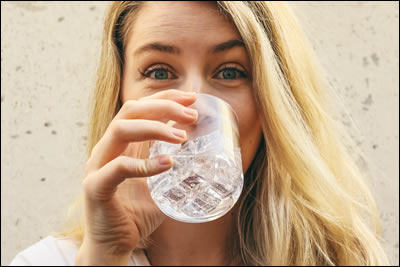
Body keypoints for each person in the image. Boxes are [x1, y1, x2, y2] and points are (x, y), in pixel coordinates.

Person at [10, 1, 390, 266]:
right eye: (159, 72)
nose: (193, 109)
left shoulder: (340, 260)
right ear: (119, 95)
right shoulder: (48, 262)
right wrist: (104, 257)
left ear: (273, 103)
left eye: (229, 72)